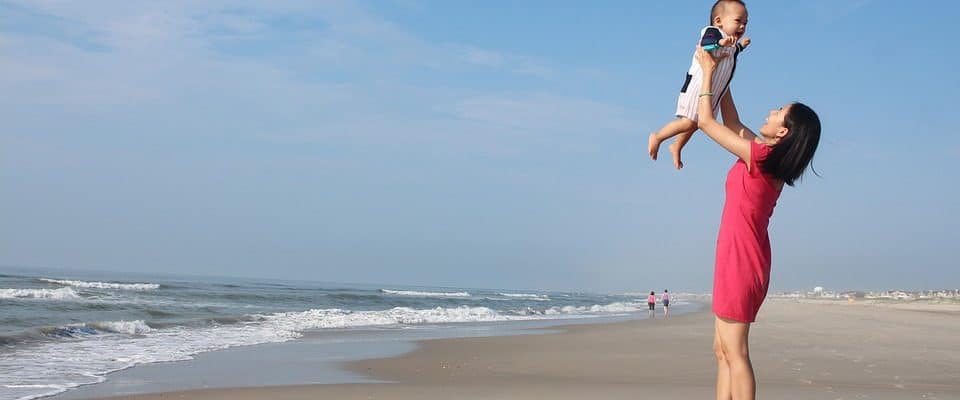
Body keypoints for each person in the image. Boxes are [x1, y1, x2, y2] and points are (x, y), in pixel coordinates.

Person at [694, 45, 821, 400]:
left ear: (783, 133)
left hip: (742, 262)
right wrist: (724, 69)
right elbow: (731, 122)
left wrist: (706, 71)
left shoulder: (762, 157)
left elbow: (706, 122)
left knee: (736, 354)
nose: (771, 111)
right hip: (736, 257)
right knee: (722, 352)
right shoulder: (763, 156)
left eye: (779, 112)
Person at [648, 0, 751, 169]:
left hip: (713, 90)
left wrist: (741, 46)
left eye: (745, 23)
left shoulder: (730, 43)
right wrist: (720, 43)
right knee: (688, 122)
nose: (742, 27)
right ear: (718, 21)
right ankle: (658, 136)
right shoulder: (713, 33)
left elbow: (733, 53)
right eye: (738, 21)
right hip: (697, 86)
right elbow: (706, 44)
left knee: (696, 123)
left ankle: (677, 146)